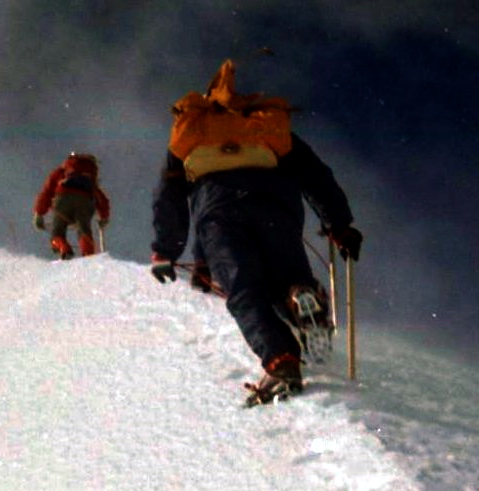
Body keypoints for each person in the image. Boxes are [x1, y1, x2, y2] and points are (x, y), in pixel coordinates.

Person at [148, 60, 364, 406]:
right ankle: (299, 294)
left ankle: (281, 361)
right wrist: (339, 224)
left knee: (243, 289)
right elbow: (315, 173)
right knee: (286, 275)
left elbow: (168, 196)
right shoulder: (265, 127)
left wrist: (166, 250)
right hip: (276, 206)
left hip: (218, 212)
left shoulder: (193, 132)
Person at [32, 152, 111, 259]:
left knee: (57, 232)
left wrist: (39, 213)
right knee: (84, 230)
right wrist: (104, 217)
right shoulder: (89, 180)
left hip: (62, 199)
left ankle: (64, 249)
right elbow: (102, 200)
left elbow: (47, 191)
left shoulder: (62, 172)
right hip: (85, 201)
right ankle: (88, 256)